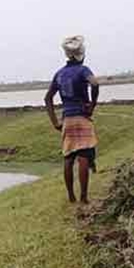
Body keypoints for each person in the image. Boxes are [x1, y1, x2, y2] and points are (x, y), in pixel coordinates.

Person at [44, 35, 100, 204]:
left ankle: (71, 196)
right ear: (81, 53)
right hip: (82, 117)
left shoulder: (59, 74)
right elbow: (95, 84)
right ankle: (83, 197)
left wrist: (55, 122)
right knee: (83, 156)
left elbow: (47, 98)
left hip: (67, 118)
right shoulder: (83, 70)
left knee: (68, 157)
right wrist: (92, 104)